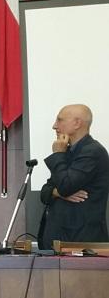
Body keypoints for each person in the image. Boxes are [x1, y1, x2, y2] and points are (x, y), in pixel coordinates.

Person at [38, 104, 109, 249]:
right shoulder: (68, 151)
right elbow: (45, 192)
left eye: (60, 120)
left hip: (82, 242)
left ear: (77, 123)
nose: (54, 126)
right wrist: (56, 192)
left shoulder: (93, 151)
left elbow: (65, 186)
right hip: (59, 240)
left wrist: (57, 154)